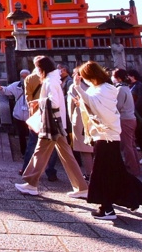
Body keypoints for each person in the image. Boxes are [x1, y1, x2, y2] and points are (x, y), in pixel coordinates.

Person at [73, 60, 142, 219]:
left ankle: (107, 208)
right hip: (107, 135)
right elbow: (93, 105)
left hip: (106, 135)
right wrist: (82, 101)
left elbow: (97, 107)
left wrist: (78, 88)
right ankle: (134, 197)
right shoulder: (104, 88)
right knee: (114, 171)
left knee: (102, 173)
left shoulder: (103, 90)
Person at [16, 56, 89, 198]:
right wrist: (40, 100)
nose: (36, 70)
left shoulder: (49, 82)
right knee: (67, 155)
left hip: (51, 122)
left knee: (40, 152)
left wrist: (39, 102)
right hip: (58, 121)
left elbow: (53, 103)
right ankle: (81, 187)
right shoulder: (54, 80)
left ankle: (31, 184)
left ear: (42, 68)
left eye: (37, 68)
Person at [22, 66, 59, 179]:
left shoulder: (29, 78)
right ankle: (50, 170)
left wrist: (32, 112)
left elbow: (28, 97)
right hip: (52, 115)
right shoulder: (53, 79)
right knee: (52, 144)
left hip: (36, 114)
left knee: (33, 143)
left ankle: (27, 169)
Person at [112, 68, 141, 176]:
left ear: (118, 78)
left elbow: (118, 106)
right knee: (131, 144)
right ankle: (135, 167)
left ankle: (132, 168)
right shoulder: (126, 88)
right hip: (131, 118)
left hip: (124, 119)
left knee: (127, 145)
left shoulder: (120, 89)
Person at [0, 70, 31, 154]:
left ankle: (32, 152)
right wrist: (0, 88)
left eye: (25, 76)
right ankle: (24, 152)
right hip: (19, 113)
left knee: (32, 135)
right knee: (21, 134)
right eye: (22, 76)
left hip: (31, 114)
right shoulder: (16, 85)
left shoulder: (34, 85)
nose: (23, 78)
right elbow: (7, 90)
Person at [67, 68, 95, 179]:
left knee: (85, 149)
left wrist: (71, 119)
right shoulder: (95, 85)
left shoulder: (74, 87)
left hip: (80, 117)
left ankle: (89, 173)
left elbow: (70, 106)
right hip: (94, 118)